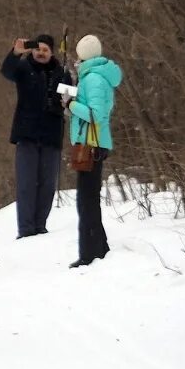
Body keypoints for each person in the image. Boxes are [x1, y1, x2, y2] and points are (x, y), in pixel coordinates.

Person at [1, 34, 72, 239]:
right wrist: (15, 53)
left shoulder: (61, 72)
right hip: (27, 134)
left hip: (52, 134)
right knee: (26, 183)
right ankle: (26, 229)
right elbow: (7, 71)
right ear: (32, 50)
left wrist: (63, 102)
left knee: (47, 184)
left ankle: (40, 225)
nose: (41, 53)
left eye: (45, 50)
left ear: (52, 52)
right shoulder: (24, 68)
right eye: (38, 49)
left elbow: (69, 100)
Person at [67, 35, 121, 268]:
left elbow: (95, 115)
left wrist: (70, 105)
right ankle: (99, 247)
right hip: (92, 142)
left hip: (92, 144)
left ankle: (90, 253)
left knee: (86, 201)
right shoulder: (93, 76)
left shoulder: (94, 79)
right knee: (88, 199)